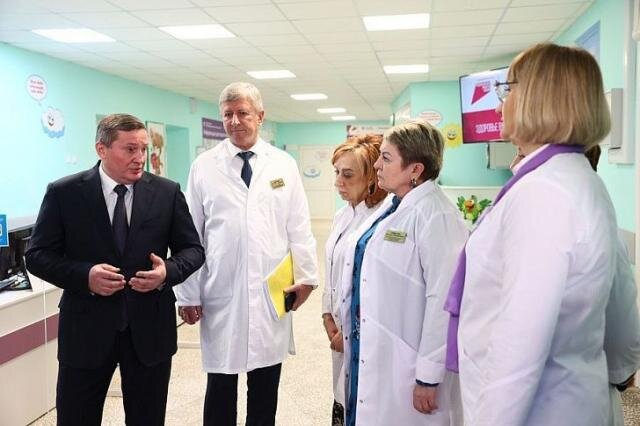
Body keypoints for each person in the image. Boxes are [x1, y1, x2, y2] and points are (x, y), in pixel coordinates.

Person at [444, 43, 640, 425]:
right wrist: (618, 369)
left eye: (507, 91)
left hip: (537, 409)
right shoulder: (576, 178)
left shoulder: (543, 192)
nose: (499, 107)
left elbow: (520, 344)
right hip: (570, 396)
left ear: (540, 97)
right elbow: (620, 303)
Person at [25, 113, 205, 425]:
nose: (140, 158)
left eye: (144, 149)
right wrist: (85, 276)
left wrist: (167, 272)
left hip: (150, 331)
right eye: (130, 149)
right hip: (86, 331)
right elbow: (37, 255)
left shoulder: (166, 192)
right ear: (102, 149)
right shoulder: (65, 193)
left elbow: (193, 250)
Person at [174, 82, 318, 426]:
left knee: (265, 383)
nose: (235, 121)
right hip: (221, 287)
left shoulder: (283, 164)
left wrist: (307, 277)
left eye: (242, 113)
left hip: (272, 289)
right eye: (227, 114)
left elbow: (299, 226)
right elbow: (190, 234)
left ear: (260, 116)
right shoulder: (204, 166)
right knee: (220, 383)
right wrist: (187, 293)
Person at [339, 121, 468, 425]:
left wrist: (428, 376)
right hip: (373, 346)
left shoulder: (437, 215)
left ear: (415, 169)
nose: (376, 165)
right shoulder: (394, 205)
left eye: (386, 158)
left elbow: (444, 300)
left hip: (408, 360)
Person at [322, 135, 387, 426]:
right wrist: (327, 314)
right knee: (342, 395)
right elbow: (332, 269)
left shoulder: (381, 219)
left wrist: (347, 330)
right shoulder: (341, 215)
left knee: (362, 398)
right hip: (336, 324)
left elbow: (376, 287)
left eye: (348, 175)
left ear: (371, 177)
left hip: (361, 331)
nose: (338, 181)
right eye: (336, 172)